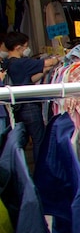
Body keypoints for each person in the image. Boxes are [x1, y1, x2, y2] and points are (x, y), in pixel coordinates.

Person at [3, 31, 58, 162]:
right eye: (25, 46)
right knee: (39, 140)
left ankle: (22, 171)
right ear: (17, 47)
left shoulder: (7, 63)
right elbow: (47, 62)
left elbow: (30, 78)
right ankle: (40, 172)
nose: (26, 49)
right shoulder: (21, 62)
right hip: (29, 107)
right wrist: (58, 58)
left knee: (21, 141)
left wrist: (45, 72)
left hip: (18, 107)